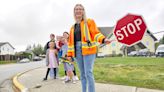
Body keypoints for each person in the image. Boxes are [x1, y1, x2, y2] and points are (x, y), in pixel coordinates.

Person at [67, 4, 111, 92]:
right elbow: (71, 43)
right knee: (82, 74)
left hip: (89, 50)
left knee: (88, 73)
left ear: (83, 11)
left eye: (80, 9)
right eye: (76, 9)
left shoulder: (89, 22)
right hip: (77, 51)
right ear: (74, 12)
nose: (78, 10)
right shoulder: (72, 27)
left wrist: (103, 39)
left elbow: (95, 33)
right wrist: (69, 55)